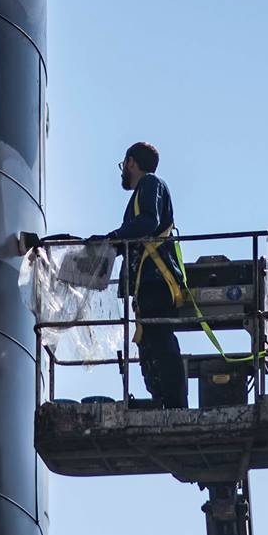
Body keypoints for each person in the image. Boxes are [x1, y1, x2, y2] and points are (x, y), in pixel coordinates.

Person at [89, 142, 188, 409]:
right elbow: (134, 235)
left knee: (159, 340)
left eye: (124, 165)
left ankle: (174, 404)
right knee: (151, 344)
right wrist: (105, 247)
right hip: (147, 281)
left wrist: (112, 238)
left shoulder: (150, 184)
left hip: (155, 278)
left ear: (131, 162)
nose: (124, 171)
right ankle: (164, 401)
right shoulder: (143, 192)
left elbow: (148, 223)